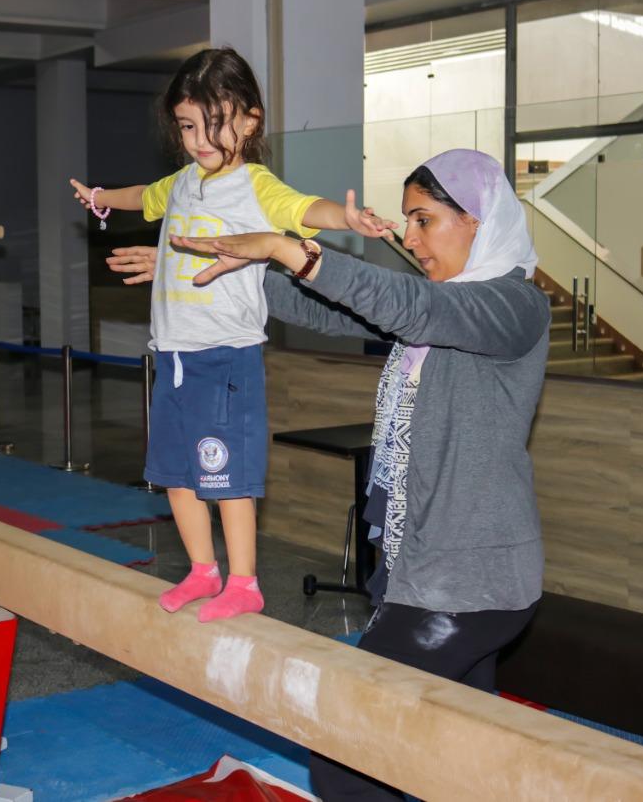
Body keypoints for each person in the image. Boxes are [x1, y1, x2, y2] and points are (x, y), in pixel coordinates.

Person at [108, 148, 550, 800]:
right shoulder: (438, 306)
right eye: (407, 221)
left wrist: (289, 247)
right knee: (460, 753)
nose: (411, 238)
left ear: (480, 219)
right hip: (422, 570)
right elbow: (330, 307)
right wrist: (208, 267)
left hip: (469, 581)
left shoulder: (514, 306)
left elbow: (411, 308)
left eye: (425, 220)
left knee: (345, 751)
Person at [69, 47, 394, 623]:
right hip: (171, 356)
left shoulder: (254, 184)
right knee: (174, 474)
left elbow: (301, 209)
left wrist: (346, 218)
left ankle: (244, 581)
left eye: (213, 126)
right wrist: (99, 198)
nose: (199, 141)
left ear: (249, 119)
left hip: (226, 357)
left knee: (226, 477)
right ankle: (202, 570)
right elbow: (140, 196)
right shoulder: (182, 184)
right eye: (188, 127)